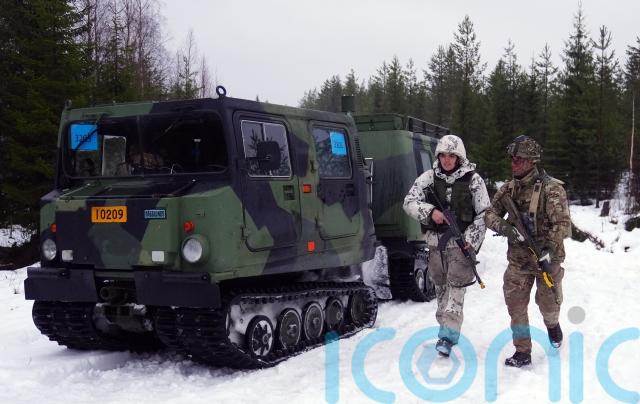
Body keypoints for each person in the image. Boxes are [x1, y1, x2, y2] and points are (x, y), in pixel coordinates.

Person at [484, 135, 571, 368]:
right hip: (519, 259)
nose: (514, 163)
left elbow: (562, 224)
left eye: (519, 159)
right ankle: (522, 350)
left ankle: (552, 326)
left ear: (532, 161)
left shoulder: (551, 188)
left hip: (546, 259)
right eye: (512, 159)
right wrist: (505, 228)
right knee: (515, 304)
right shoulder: (508, 190)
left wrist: (548, 248)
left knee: (548, 304)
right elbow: (489, 214)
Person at [403, 134, 490, 357]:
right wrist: (431, 212)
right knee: (441, 289)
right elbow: (409, 202)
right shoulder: (429, 178)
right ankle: (444, 328)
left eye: (452, 156)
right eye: (443, 155)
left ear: (459, 157)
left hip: (461, 245)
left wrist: (470, 241)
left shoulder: (473, 180)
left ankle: (448, 336)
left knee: (456, 288)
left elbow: (484, 213)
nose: (447, 160)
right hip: (436, 244)